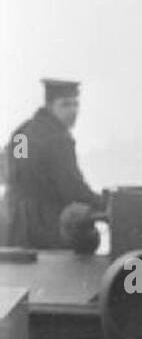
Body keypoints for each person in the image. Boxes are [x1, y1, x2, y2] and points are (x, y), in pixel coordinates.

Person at [5, 79, 104, 249]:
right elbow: (72, 188)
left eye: (75, 105)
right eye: (65, 105)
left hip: (13, 226)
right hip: (46, 228)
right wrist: (106, 205)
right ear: (50, 106)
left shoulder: (22, 134)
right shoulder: (58, 140)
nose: (73, 111)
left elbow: (14, 172)